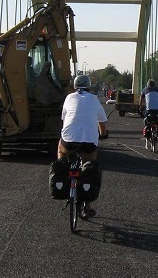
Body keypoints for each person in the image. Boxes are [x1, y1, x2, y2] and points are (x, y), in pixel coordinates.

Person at [58, 74, 108, 218]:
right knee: (89, 167)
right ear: (89, 86)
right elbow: (102, 123)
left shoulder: (68, 98)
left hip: (68, 140)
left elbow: (64, 118)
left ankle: (61, 166)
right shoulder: (94, 99)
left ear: (74, 86)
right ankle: (87, 207)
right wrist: (103, 134)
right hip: (88, 142)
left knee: (61, 147)